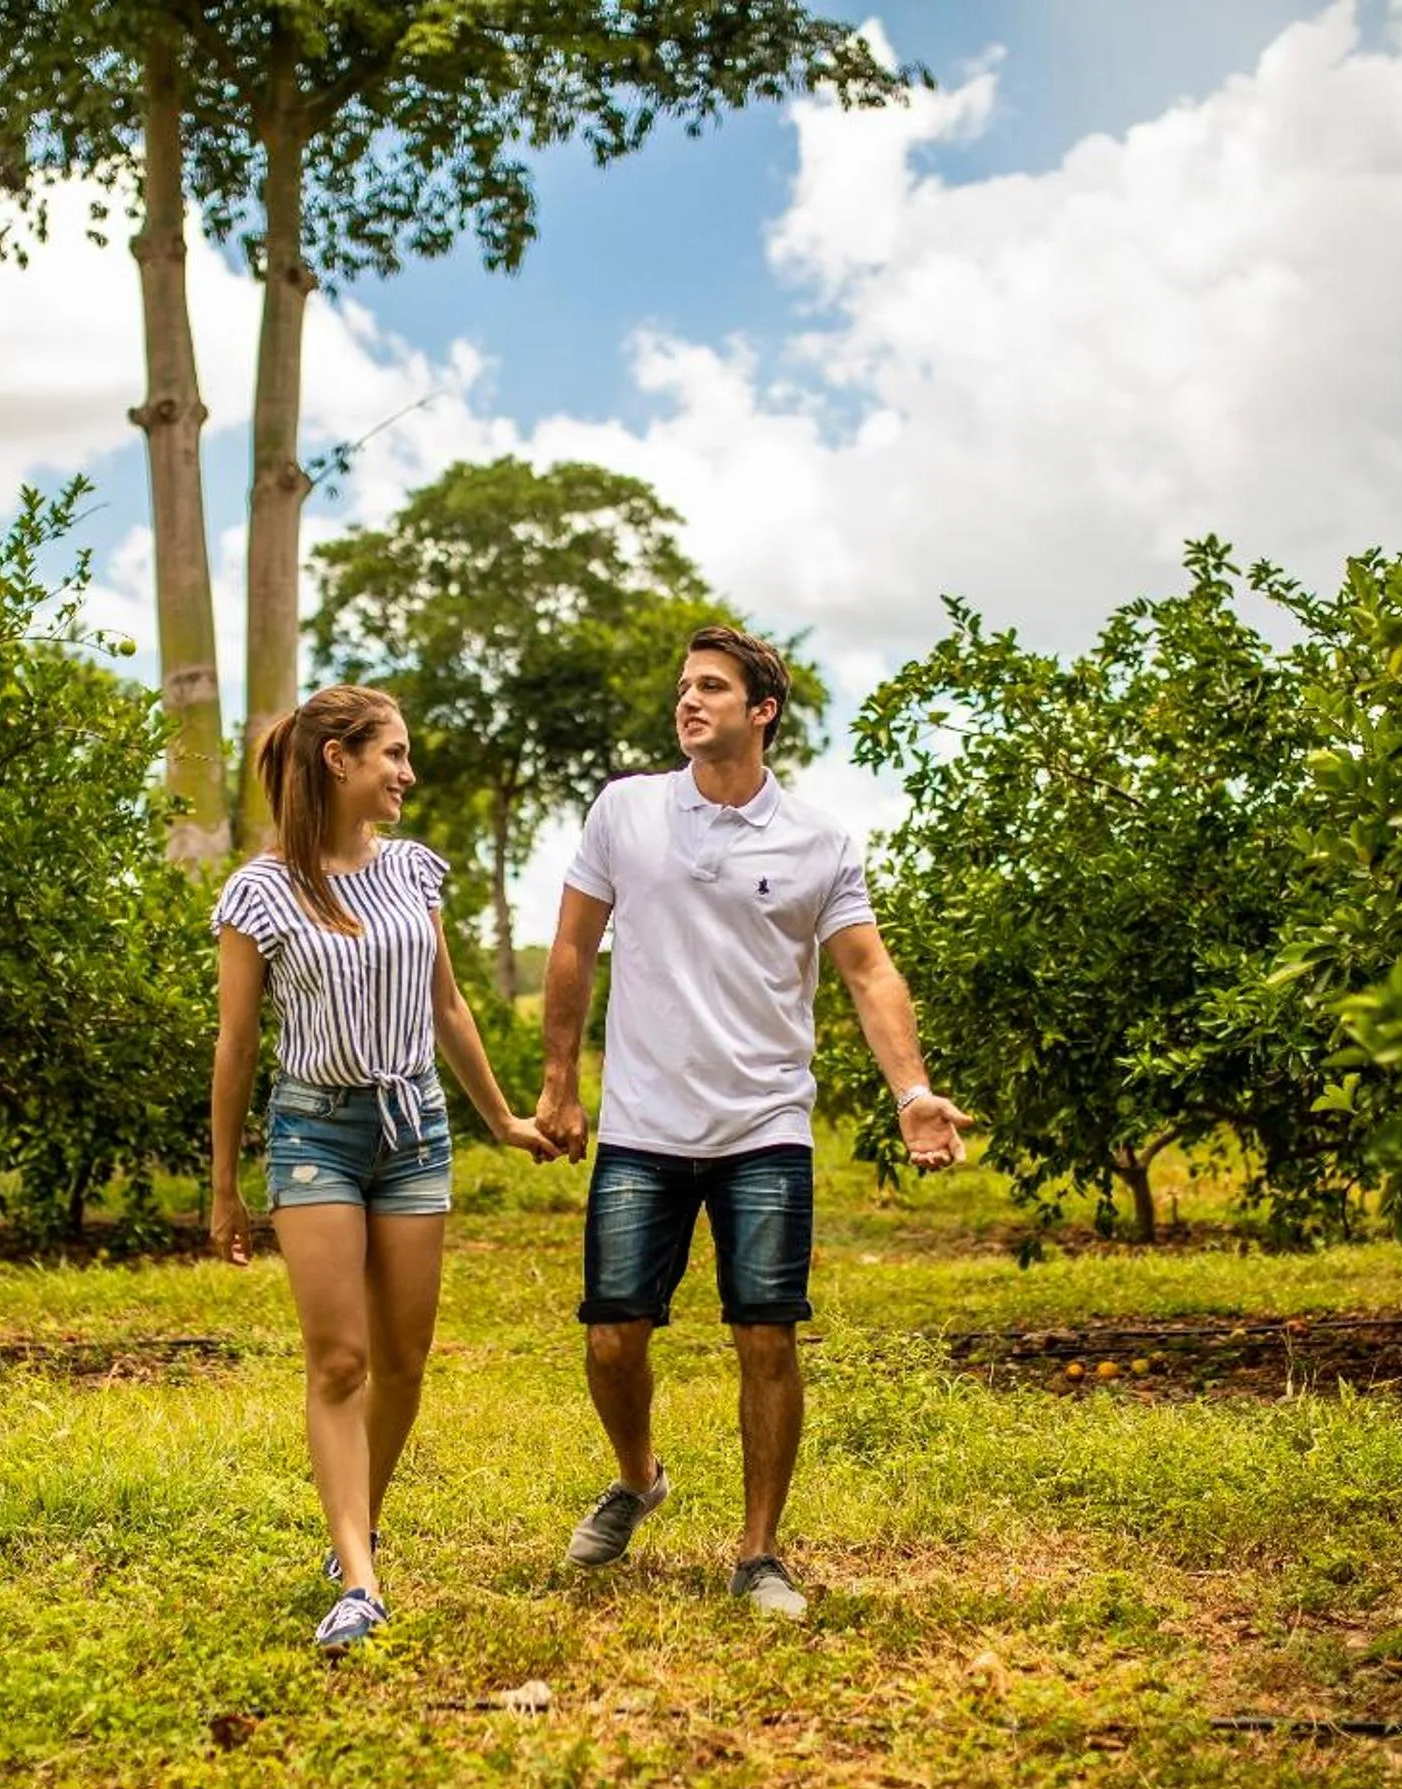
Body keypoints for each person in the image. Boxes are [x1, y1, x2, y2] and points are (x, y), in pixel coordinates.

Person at [534, 626, 970, 1619]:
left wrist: (912, 1094)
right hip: (644, 1122)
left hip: (765, 1122)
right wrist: (560, 1083)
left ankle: (759, 1552)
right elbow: (571, 945)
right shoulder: (626, 813)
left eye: (713, 689)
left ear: (761, 711)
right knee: (612, 1337)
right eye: (685, 688)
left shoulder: (817, 841)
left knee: (766, 1335)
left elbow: (868, 971)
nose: (690, 703)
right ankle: (638, 1476)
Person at [210, 685, 557, 1652]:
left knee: (403, 1363)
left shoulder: (412, 872)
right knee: (341, 1360)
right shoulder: (261, 890)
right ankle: (359, 1582)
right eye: (394, 755)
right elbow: (237, 1047)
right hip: (315, 1132)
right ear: (340, 760)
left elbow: (448, 1007)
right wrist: (224, 1186)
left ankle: (352, 1526)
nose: (407, 774)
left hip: (416, 1133)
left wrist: (504, 1120)